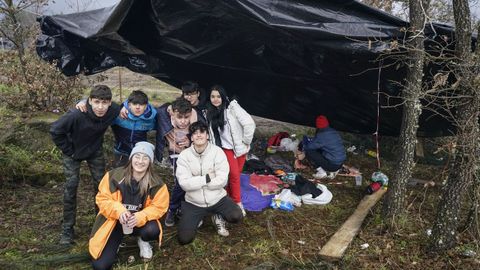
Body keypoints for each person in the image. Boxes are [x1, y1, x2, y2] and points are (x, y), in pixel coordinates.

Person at [50, 85, 120, 245]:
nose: (100, 107)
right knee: (71, 185)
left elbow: (130, 105)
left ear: (110, 103)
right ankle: (67, 229)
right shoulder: (76, 114)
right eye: (96, 102)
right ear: (90, 101)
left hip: (94, 149)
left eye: (104, 102)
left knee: (101, 185)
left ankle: (100, 223)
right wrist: (69, 150)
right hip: (73, 150)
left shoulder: (113, 110)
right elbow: (55, 130)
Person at [89, 142, 169, 269]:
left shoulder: (157, 184)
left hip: (139, 224)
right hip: (114, 223)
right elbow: (102, 199)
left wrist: (140, 216)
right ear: (131, 158)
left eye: (145, 158)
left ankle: (143, 240)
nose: (140, 161)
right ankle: (115, 242)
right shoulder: (113, 176)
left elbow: (160, 207)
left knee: (152, 230)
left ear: (150, 162)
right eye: (137, 156)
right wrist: (119, 211)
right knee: (100, 266)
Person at [176, 122, 243, 243]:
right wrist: (206, 178)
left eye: (202, 132)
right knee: (184, 239)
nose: (199, 135)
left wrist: (196, 181)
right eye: (195, 133)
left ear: (207, 135)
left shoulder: (217, 152)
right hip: (194, 202)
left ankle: (217, 215)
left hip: (218, 199)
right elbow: (184, 184)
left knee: (236, 216)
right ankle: (198, 218)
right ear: (191, 138)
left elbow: (222, 180)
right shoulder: (184, 156)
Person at [204, 85, 255, 218]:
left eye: (218, 96)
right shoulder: (209, 112)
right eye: (212, 96)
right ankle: (237, 203)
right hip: (226, 149)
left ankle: (229, 199)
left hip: (240, 149)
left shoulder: (232, 108)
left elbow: (249, 124)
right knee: (234, 176)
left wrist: (246, 141)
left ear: (223, 96)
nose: (215, 99)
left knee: (235, 175)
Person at [76, 90, 157, 168]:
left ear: (146, 105)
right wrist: (83, 102)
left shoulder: (150, 119)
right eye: (135, 104)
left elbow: (165, 115)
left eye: (141, 104)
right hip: (121, 152)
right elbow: (101, 107)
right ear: (129, 105)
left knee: (138, 176)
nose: (138, 107)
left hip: (140, 154)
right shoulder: (118, 115)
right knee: (119, 176)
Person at [155, 97, 197, 227]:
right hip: (176, 155)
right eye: (180, 117)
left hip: (191, 154)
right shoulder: (165, 118)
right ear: (173, 113)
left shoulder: (194, 120)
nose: (184, 121)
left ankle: (182, 208)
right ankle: (172, 209)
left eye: (186, 118)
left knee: (191, 183)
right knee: (180, 183)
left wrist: (190, 140)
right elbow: (157, 110)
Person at [299, 115, 346, 179]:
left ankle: (322, 173)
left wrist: (305, 145)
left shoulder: (322, 135)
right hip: (340, 162)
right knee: (319, 150)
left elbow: (309, 147)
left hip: (333, 165)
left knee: (309, 151)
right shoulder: (333, 131)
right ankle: (334, 170)